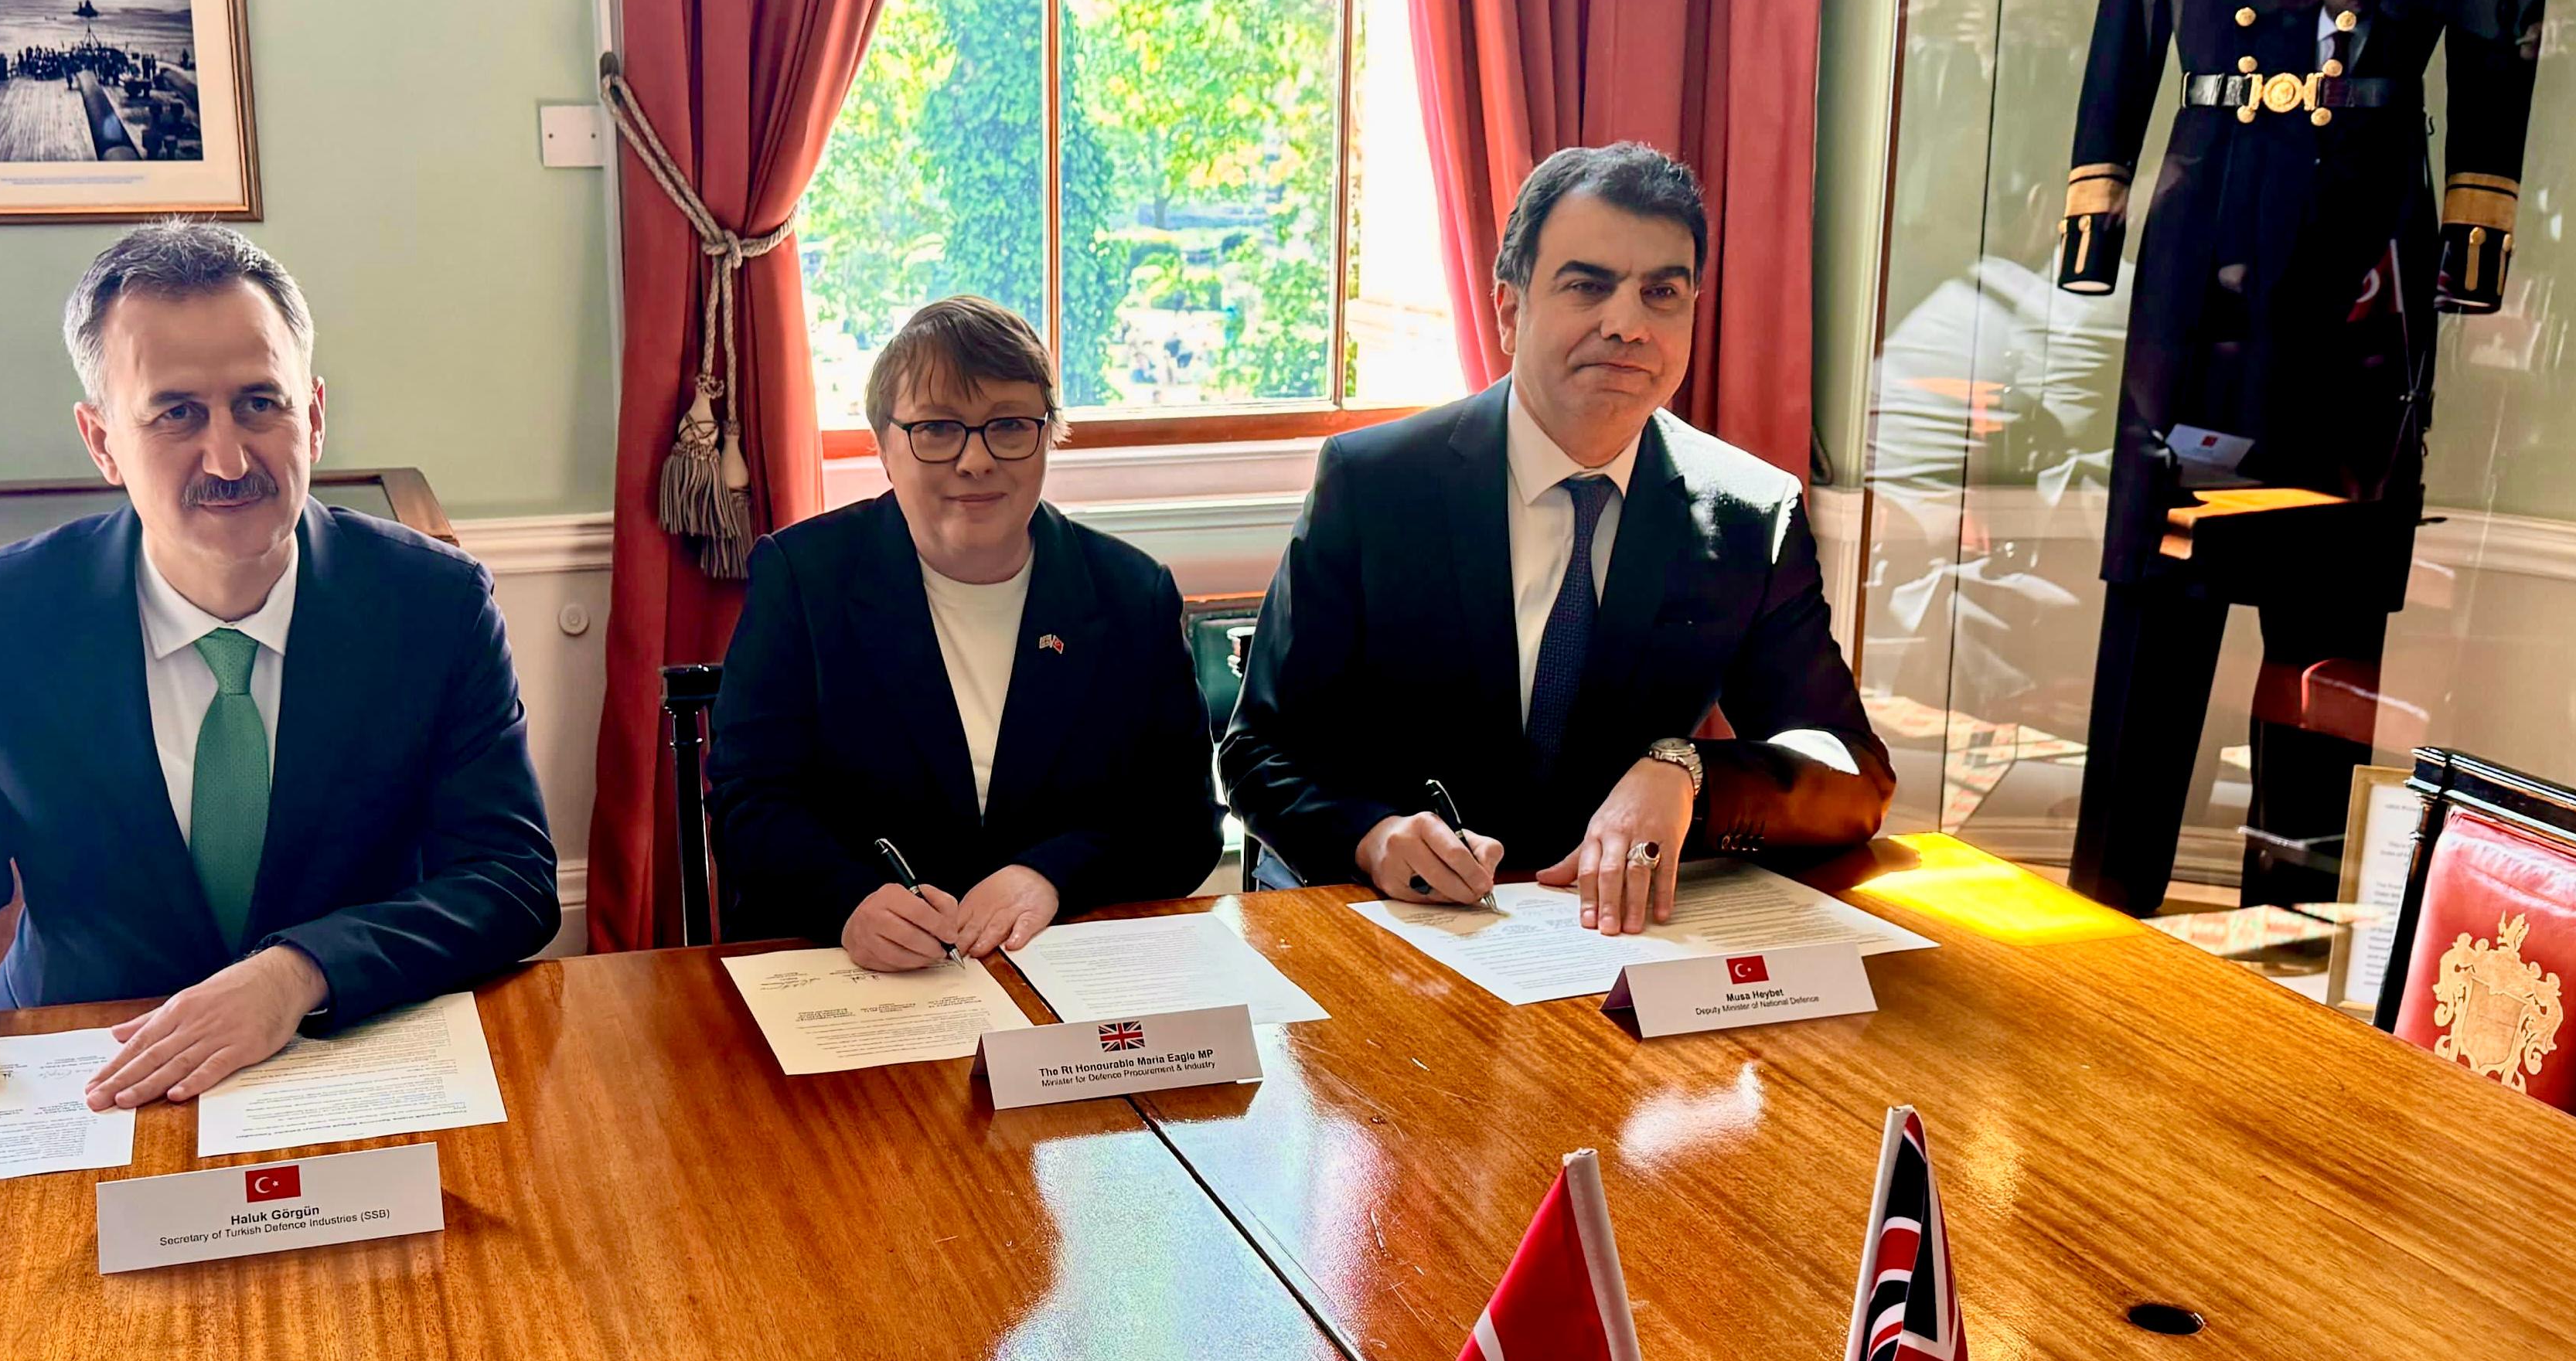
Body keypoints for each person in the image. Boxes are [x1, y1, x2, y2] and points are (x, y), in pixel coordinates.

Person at [0, 221, 560, 1106]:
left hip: (342, 1053)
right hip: (87, 1067)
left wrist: (300, 971)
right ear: (102, 441)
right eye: (176, 413)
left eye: (260, 402)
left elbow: (508, 877)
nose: (230, 458)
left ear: (315, 415)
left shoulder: (432, 604)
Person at [1221, 144, 1893, 936]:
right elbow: (1260, 751)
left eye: (1661, 293)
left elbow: (1851, 771)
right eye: (1587, 286)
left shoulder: (1751, 512)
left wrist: (1688, 773)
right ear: (1509, 310)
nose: (1627, 325)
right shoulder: (1373, 484)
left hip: (1614, 935)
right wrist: (1373, 836)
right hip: (1393, 924)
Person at [707, 297, 1223, 968]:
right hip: (856, 971)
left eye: (1008, 426)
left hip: (1066, 965)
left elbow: (1184, 825)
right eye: (937, 428)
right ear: (883, 445)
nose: (976, 460)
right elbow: (749, 802)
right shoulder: (803, 578)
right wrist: (847, 900)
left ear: (1048, 435)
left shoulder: (1131, 594)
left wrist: (1051, 875)